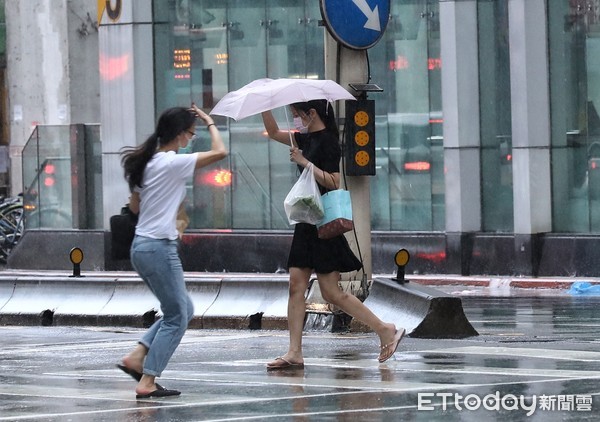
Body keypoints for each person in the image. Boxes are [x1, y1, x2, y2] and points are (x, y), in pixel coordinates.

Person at [261, 99, 405, 370]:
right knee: (296, 285)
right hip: (306, 221)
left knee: (331, 293)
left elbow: (334, 181)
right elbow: (271, 132)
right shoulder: (303, 138)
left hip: (323, 224)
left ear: (311, 113)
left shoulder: (327, 141)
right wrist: (264, 104)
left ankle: (385, 329)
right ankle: (294, 352)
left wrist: (304, 162)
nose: (295, 120)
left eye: (297, 114)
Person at [117, 104, 227, 398]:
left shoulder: (149, 163)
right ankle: (147, 380)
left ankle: (138, 356)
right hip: (158, 248)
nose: (191, 139)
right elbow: (220, 153)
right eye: (191, 134)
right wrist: (211, 124)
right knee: (178, 314)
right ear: (179, 135)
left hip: (141, 246)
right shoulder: (170, 162)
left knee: (182, 309)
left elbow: (136, 207)